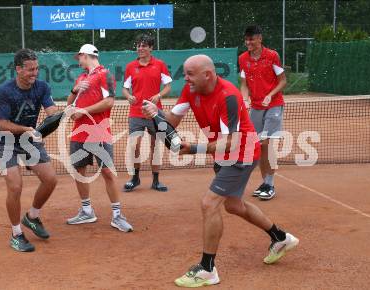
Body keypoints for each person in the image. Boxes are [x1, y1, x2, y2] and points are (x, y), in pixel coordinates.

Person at [142, 55, 298, 288]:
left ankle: (207, 269)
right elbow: (171, 121)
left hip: (241, 153)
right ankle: (281, 238)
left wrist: (193, 148)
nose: (186, 78)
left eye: (190, 74)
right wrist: (156, 115)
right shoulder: (190, 90)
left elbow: (231, 143)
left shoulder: (229, 96)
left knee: (209, 203)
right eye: (185, 74)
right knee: (234, 205)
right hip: (222, 154)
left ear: (208, 74)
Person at [0, 48, 59, 252]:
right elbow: (3, 124)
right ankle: (16, 233)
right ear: (18, 69)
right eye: (30, 69)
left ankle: (32, 217)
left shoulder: (42, 87)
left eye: (37, 69)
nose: (35, 73)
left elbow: (51, 112)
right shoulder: (4, 91)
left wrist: (54, 117)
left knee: (50, 179)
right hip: (5, 140)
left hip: (29, 139)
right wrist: (27, 130)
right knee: (15, 186)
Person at [65, 44, 133, 233]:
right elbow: (70, 104)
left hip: (99, 132)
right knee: (79, 170)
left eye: (79, 57)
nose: (78, 60)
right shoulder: (81, 78)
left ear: (85, 55)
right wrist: (75, 90)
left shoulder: (105, 75)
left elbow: (109, 101)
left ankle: (117, 216)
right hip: (79, 132)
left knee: (107, 173)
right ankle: (87, 211)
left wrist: (83, 111)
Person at [239, 25, 287, 200]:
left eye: (251, 39)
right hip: (256, 107)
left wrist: (270, 95)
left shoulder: (272, 56)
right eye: (246, 39)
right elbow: (244, 84)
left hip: (274, 105)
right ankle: (265, 183)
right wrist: (244, 99)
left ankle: (270, 184)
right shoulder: (243, 58)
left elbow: (282, 81)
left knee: (265, 143)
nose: (248, 42)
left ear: (260, 39)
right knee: (258, 146)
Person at [122, 34, 172, 192]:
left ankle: (156, 180)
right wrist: (128, 96)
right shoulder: (130, 66)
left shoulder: (160, 65)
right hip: (136, 113)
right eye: (138, 45)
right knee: (134, 146)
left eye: (144, 46)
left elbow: (168, 86)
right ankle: (135, 178)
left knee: (155, 146)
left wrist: (159, 95)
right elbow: (124, 88)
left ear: (151, 48)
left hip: (155, 113)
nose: (140, 48)